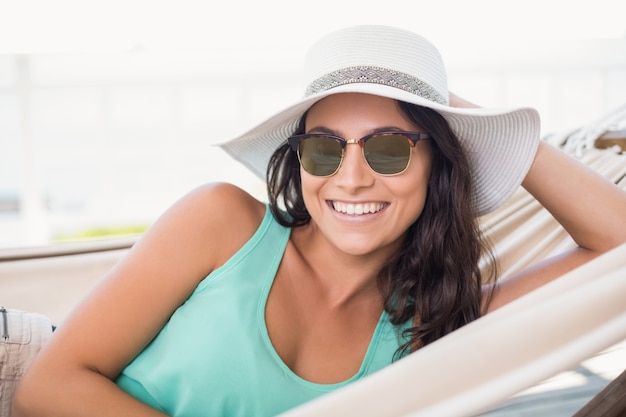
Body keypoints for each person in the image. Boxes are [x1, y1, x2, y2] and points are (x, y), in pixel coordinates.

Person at [13, 25, 626, 417]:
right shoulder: (220, 222)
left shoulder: (431, 330)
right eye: (324, 149)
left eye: (389, 148)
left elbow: (616, 246)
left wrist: (469, 119)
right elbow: (45, 387)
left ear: (439, 165)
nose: (352, 178)